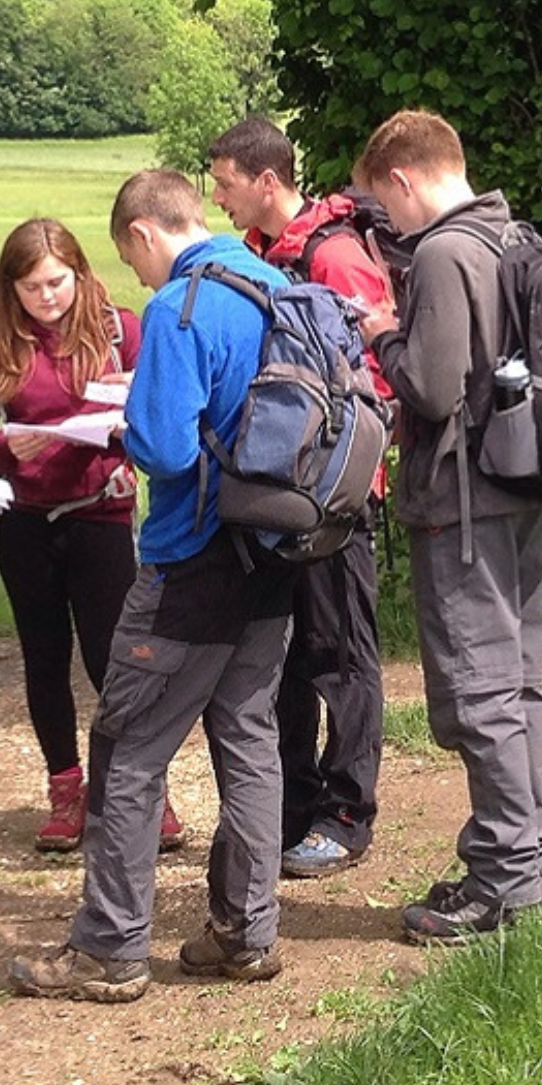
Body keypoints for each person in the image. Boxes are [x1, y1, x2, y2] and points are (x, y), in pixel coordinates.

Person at [9, 169, 300, 1003]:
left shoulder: (182, 306)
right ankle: (247, 933)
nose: (136, 276)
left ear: (142, 233)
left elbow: (168, 451)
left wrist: (126, 424)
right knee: (247, 735)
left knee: (128, 749)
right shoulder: (276, 284)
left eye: (129, 258)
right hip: (276, 550)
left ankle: (109, 949)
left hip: (192, 558)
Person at [351, 110, 542, 945]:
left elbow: (433, 388)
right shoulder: (517, 236)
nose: (388, 225)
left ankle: (501, 880)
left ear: (403, 179)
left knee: (479, 690)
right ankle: (520, 856)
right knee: (521, 681)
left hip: (462, 503)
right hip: (526, 487)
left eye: (384, 205)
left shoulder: (442, 252)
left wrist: (382, 334)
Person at [0, 218, 185, 858]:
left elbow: (162, 413)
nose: (48, 298)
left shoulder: (119, 330)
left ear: (80, 274)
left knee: (116, 661)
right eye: (32, 287)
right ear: (10, 289)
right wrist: (4, 445)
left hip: (100, 515)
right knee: (44, 658)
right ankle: (65, 788)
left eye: (58, 282)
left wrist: (122, 422)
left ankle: (144, 790)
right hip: (26, 522)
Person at [203, 115, 390, 880]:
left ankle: (346, 816)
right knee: (282, 660)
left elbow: (380, 387)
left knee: (341, 656)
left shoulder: (335, 257)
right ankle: (291, 807)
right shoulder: (258, 258)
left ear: (266, 181)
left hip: (336, 503)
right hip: (275, 501)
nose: (218, 199)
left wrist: (339, 483)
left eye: (224, 183)